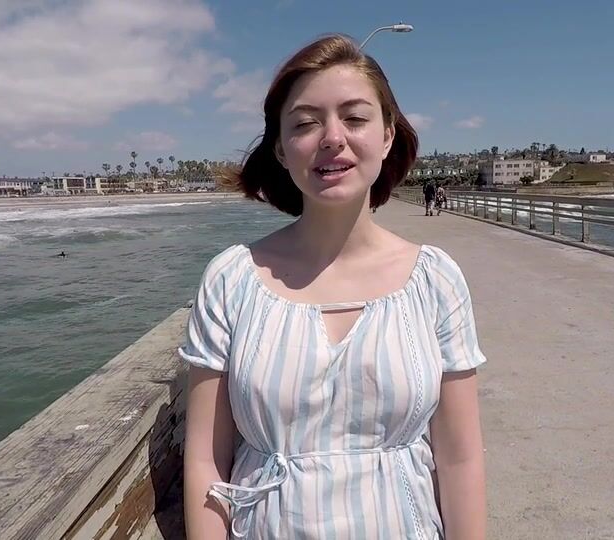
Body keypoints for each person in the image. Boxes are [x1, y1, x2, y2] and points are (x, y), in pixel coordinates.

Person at [181, 35, 487, 539]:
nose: (332, 137)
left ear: (387, 136)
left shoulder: (435, 280)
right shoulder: (231, 279)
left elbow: (460, 458)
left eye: (355, 117)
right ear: (280, 149)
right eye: (305, 123)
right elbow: (205, 462)